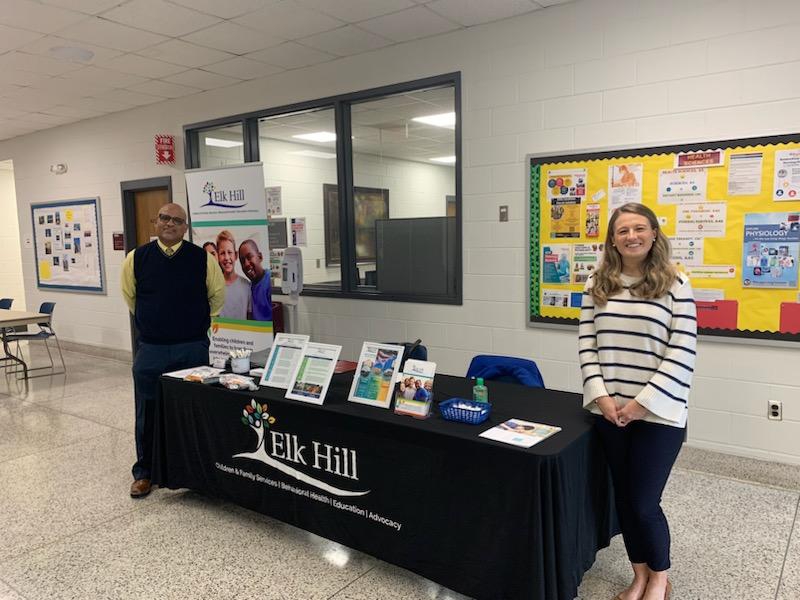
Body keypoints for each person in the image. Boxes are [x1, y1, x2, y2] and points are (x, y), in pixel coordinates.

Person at [578, 202, 696, 600]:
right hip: (609, 412)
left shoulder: (675, 281)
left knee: (645, 502)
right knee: (624, 499)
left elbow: (682, 351)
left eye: (639, 228)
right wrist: (602, 397)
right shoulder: (597, 280)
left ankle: (660, 578)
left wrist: (641, 404)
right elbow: (587, 345)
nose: (632, 236)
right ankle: (639, 574)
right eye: (623, 230)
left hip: (659, 415)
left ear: (653, 233)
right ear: (612, 238)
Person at [121, 203, 225, 498]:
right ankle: (145, 472)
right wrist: (154, 322)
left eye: (177, 220)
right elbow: (131, 298)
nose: (169, 223)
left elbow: (216, 296)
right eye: (164, 217)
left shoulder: (202, 258)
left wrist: (193, 324)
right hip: (152, 349)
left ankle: (193, 472)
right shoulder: (136, 258)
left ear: (185, 228)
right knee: (147, 412)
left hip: (192, 348)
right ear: (156, 222)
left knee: (192, 411)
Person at [216, 230, 251, 319]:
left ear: (235, 255)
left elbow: (250, 318)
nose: (227, 258)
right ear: (218, 257)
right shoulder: (214, 287)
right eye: (222, 253)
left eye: (230, 252)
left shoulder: (247, 286)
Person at [239, 239, 272, 321]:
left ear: (260, 257)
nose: (246, 264)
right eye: (242, 261)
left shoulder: (270, 282)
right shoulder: (248, 287)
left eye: (249, 257)